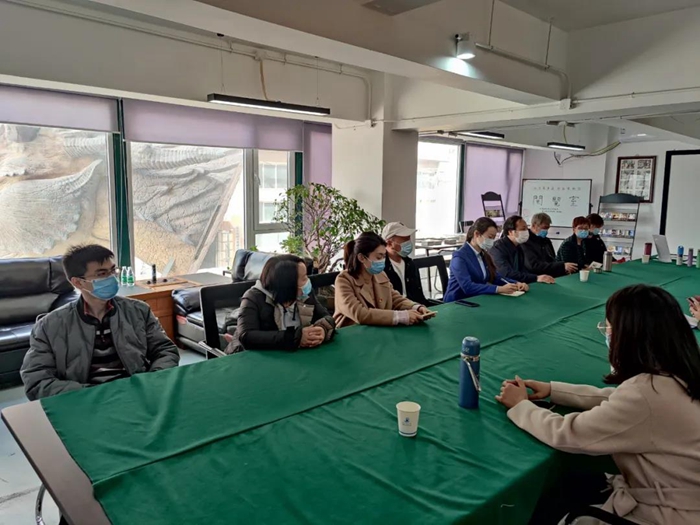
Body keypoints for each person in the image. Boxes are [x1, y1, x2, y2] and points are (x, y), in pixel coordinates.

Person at [497, 284, 700, 525]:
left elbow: (569, 434)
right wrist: (555, 390)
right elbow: (619, 400)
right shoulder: (680, 373)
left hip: (665, 515)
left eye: (610, 327)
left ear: (628, 337)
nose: (607, 334)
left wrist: (520, 406)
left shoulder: (646, 393)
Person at [20, 244, 179, 401]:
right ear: (78, 282)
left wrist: (150, 381)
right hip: (84, 401)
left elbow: (165, 350)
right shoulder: (49, 326)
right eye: (102, 273)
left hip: (137, 394)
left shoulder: (139, 311)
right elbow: (37, 380)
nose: (111, 278)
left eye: (113, 271)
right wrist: (90, 394)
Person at [227, 255, 335, 353]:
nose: (307, 281)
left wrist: (322, 329)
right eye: (303, 278)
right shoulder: (253, 297)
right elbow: (247, 336)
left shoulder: (304, 294)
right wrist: (295, 338)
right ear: (287, 283)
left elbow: (326, 317)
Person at [334, 232, 434, 328]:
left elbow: (394, 297)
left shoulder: (380, 274)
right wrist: (400, 316)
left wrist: (416, 307)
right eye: (379, 257)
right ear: (361, 258)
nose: (382, 261)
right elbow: (360, 314)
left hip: (378, 329)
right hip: (352, 332)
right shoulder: (344, 280)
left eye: (384, 256)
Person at [443, 217, 528, 302]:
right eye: (490, 237)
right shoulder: (459, 257)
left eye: (493, 238)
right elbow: (468, 287)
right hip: (457, 302)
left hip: (477, 299)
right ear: (477, 234)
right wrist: (498, 289)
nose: (491, 241)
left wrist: (516, 283)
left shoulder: (483, 255)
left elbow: (495, 277)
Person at [491, 215, 555, 285]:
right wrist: (536, 278)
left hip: (517, 285)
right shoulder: (498, 248)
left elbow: (522, 270)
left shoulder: (518, 246)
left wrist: (539, 277)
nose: (526, 232)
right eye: (523, 229)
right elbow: (506, 273)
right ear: (511, 232)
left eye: (527, 229)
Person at [381, 222, 429, 304]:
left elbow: (419, 295)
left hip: (415, 307)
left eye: (408, 239)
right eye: (404, 240)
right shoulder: (381, 267)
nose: (408, 243)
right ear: (389, 243)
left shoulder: (410, 264)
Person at [521, 213, 577, 277]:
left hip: (550, 277)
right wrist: (561, 266)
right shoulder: (525, 242)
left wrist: (564, 269)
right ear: (534, 225)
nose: (546, 231)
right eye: (544, 228)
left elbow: (553, 261)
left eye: (547, 228)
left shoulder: (546, 241)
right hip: (535, 278)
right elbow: (534, 266)